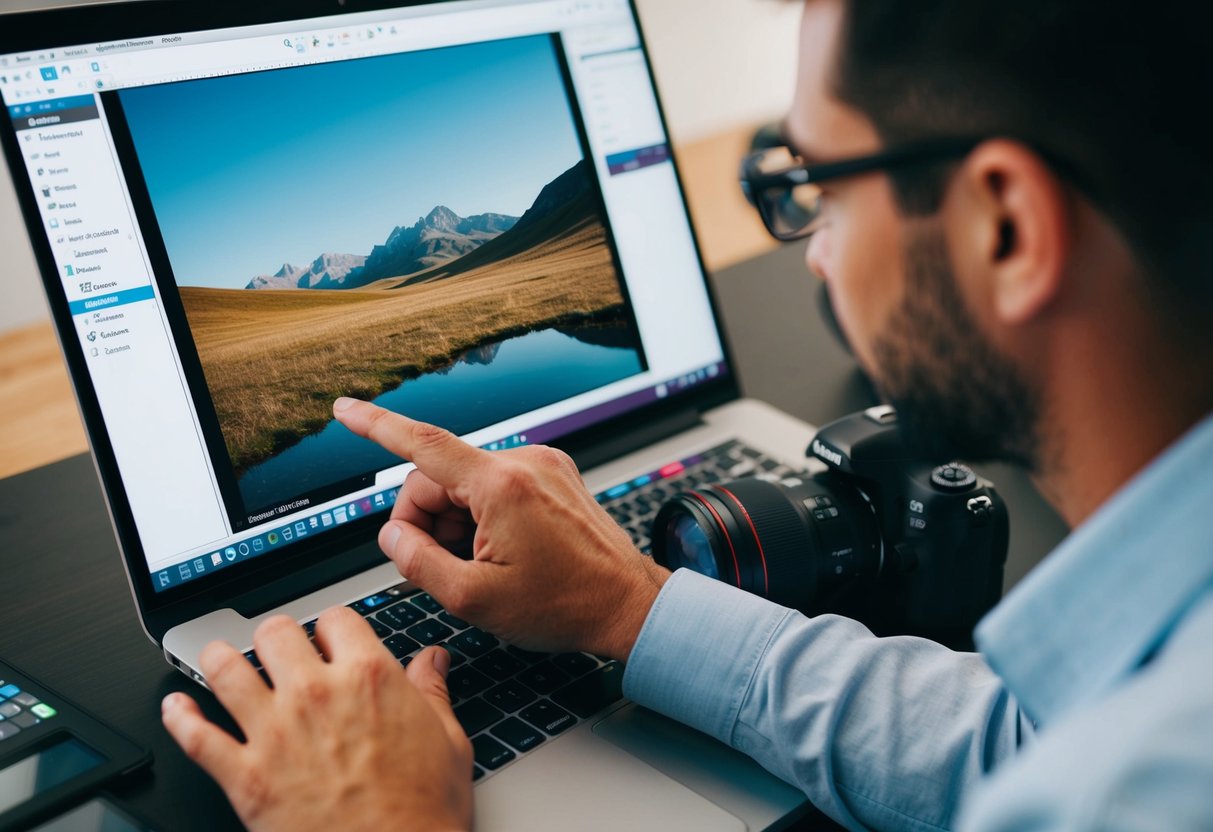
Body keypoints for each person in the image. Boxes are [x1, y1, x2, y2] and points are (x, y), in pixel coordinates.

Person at [159, 1, 1213, 829]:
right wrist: (630, 605)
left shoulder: (1141, 784)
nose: (816, 252)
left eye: (819, 186)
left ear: (1006, 229)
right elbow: (1015, 738)